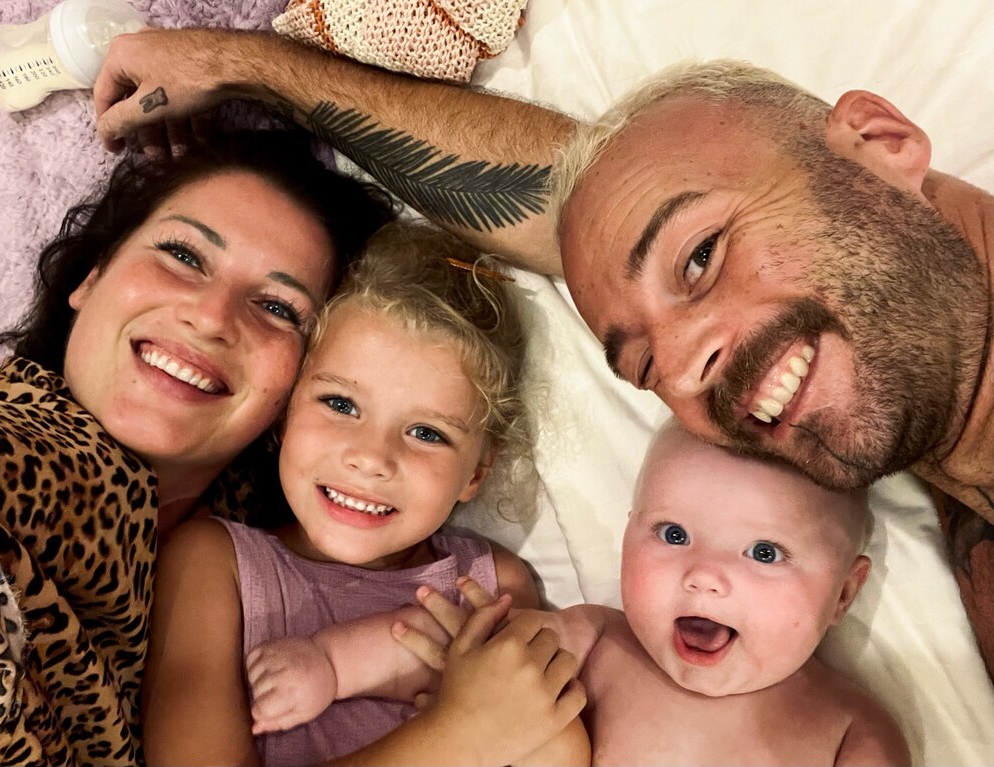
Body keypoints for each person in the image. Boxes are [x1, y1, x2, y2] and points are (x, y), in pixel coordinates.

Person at [91, 33, 994, 677]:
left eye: (702, 256)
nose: (685, 374)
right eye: (641, 368)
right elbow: (582, 203)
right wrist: (242, 64)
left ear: (881, 147)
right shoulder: (927, 390)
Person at [0, 129, 395, 765]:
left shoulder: (281, 563)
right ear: (90, 278)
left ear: (307, 385)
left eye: (279, 307)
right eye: (183, 255)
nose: (213, 316)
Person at [141, 221, 586, 766]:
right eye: (341, 405)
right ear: (286, 411)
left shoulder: (494, 587)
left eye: (427, 433)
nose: (372, 458)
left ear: (477, 472)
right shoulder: (214, 564)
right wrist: (457, 735)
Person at [257, 421, 910, 765]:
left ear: (843, 594)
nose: (704, 574)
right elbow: (454, 644)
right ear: (627, 537)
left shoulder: (852, 729)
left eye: (765, 552)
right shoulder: (597, 640)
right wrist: (332, 663)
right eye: (673, 532)